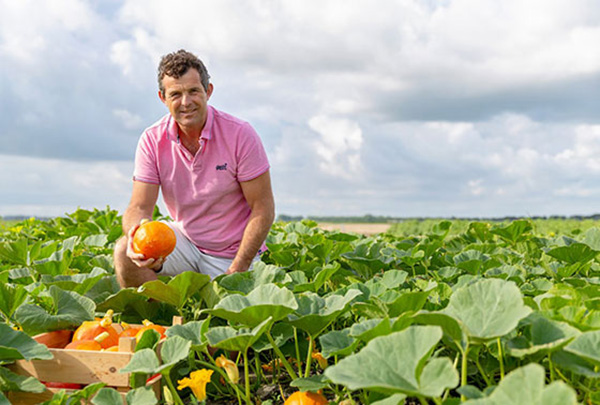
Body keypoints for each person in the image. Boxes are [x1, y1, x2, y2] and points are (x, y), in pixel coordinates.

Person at [114, 49, 275, 288]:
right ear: (162, 98)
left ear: (208, 91)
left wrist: (238, 268)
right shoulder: (151, 139)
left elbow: (263, 208)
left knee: (227, 309)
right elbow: (139, 206)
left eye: (193, 91)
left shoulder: (240, 134)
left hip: (233, 252)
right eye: (175, 94)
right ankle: (158, 312)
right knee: (123, 252)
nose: (186, 102)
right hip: (186, 243)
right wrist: (135, 235)